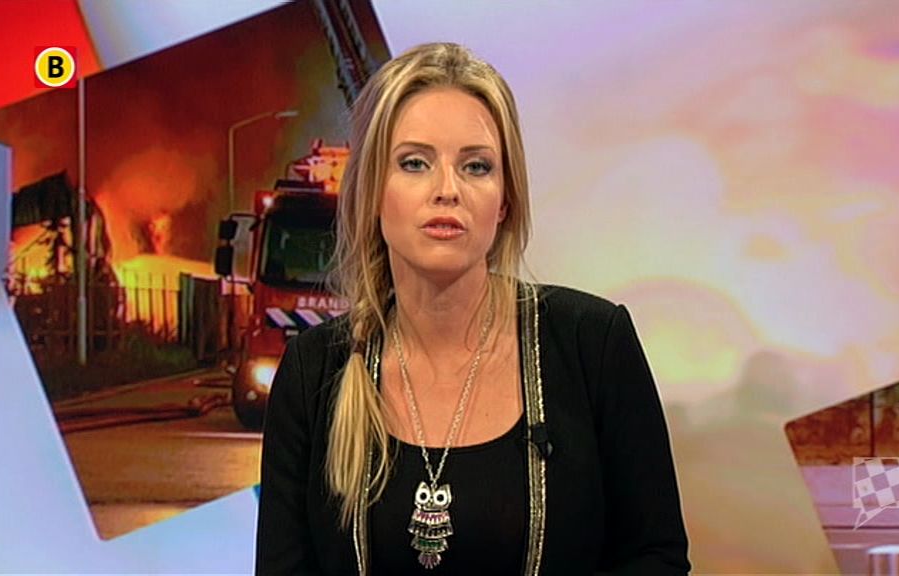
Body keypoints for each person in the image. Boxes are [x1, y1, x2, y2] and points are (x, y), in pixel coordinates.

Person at [256, 42, 690, 575]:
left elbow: (656, 558)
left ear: (505, 200)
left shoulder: (593, 345)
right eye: (414, 163)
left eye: (476, 166)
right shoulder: (312, 372)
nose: (447, 190)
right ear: (372, 191)